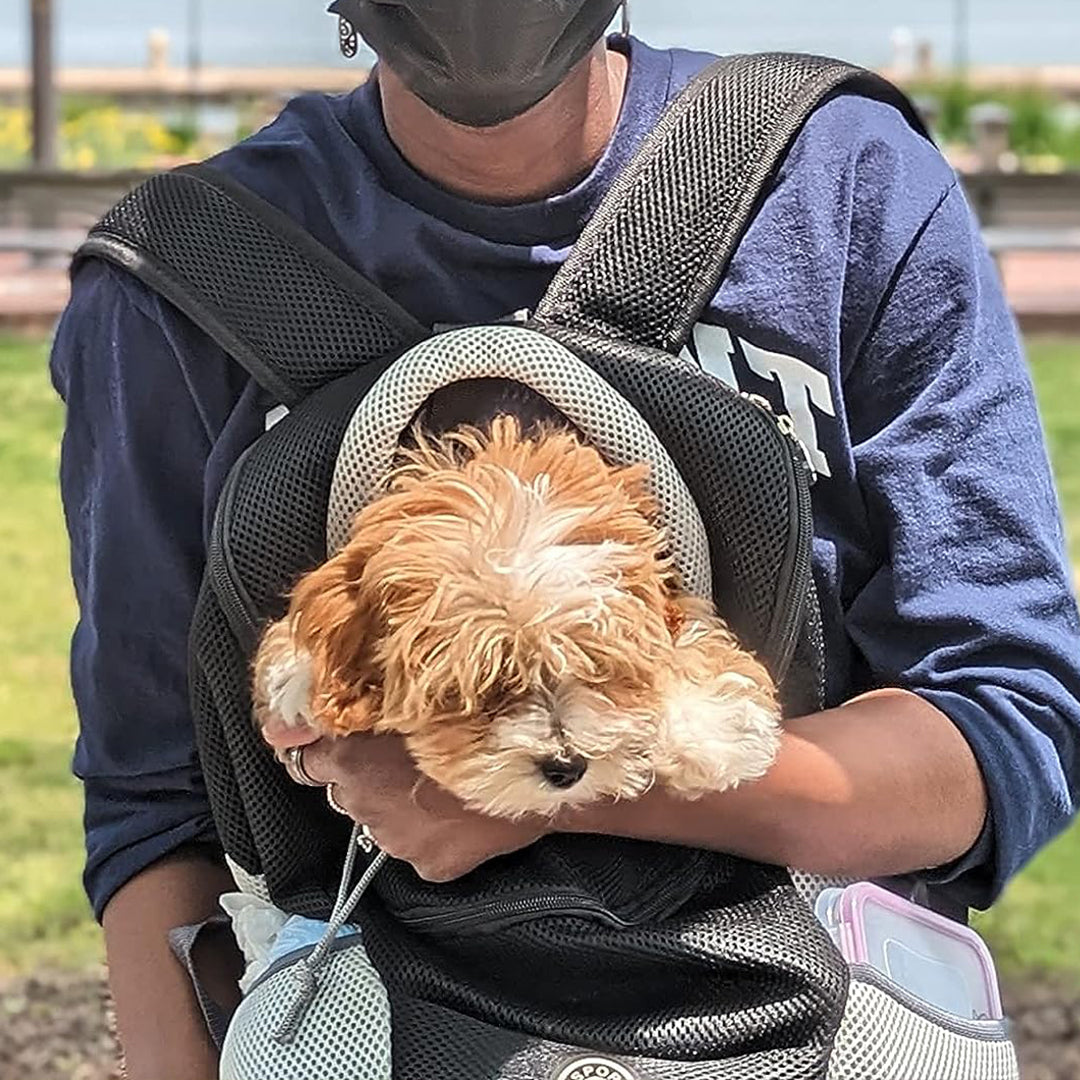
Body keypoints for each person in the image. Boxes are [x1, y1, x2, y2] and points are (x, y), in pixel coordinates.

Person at [50, 2, 1080, 1077]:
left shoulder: (838, 183)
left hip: (789, 1017)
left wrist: (572, 791)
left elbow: (1004, 720)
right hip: (389, 1017)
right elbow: (157, 804)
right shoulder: (169, 287)